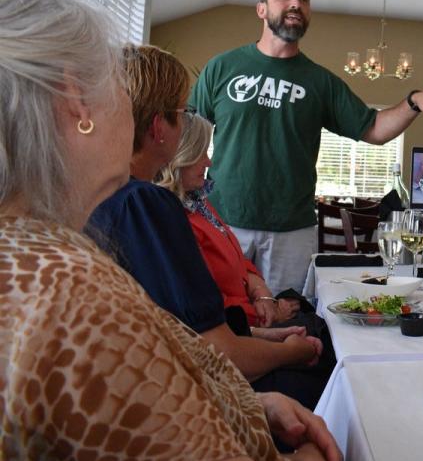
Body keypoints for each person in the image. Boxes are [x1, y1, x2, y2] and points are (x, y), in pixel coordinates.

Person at [0, 0, 340, 461]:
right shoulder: (70, 290)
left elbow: (150, 393)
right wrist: (312, 453)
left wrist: (252, 405)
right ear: (78, 101)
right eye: (119, 86)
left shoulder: (42, 252)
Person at [88, 44, 331, 411]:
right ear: (159, 127)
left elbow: (180, 331)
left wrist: (268, 336)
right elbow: (218, 354)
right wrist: (288, 353)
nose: (188, 124)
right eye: (183, 113)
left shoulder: (99, 197)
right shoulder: (147, 207)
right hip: (182, 402)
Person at [190, 0, 423, 294]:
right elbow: (191, 135)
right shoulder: (222, 68)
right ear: (262, 9)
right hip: (224, 220)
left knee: (288, 320)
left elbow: (373, 128)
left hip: (292, 231)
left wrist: (412, 100)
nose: (295, 4)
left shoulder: (320, 82)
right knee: (219, 314)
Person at [156, 112, 300, 329]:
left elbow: (240, 263)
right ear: (178, 158)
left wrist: (262, 295)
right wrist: (269, 313)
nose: (208, 161)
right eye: (200, 153)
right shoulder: (173, 220)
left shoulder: (199, 203)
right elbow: (209, 306)